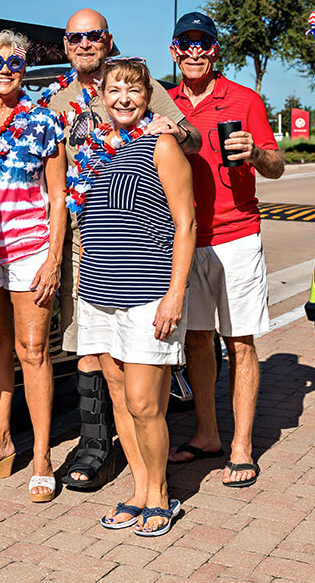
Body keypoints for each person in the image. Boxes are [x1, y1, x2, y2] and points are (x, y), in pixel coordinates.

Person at [44, 8, 200, 491]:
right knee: (88, 352)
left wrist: (168, 131)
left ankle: (145, 472)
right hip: (83, 239)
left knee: (136, 372)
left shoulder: (135, 84)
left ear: (108, 40)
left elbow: (190, 137)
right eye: (76, 37)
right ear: (66, 45)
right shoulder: (57, 101)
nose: (85, 43)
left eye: (94, 35)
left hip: (141, 246)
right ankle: (96, 446)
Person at [73, 58, 195, 536]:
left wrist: (175, 295)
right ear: (101, 95)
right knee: (120, 399)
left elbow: (186, 224)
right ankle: (140, 489)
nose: (123, 98)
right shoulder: (93, 150)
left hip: (148, 292)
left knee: (146, 403)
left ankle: (162, 494)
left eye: (133, 91)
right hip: (98, 291)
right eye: (114, 90)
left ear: (147, 97)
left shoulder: (162, 145)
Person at [164, 11, 285, 488]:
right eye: (185, 43)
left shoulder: (245, 98)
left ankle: (241, 446)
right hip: (184, 240)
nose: (195, 51)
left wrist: (256, 152)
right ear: (174, 51)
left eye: (204, 43)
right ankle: (208, 434)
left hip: (237, 236)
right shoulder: (165, 103)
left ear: (216, 50)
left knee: (239, 341)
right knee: (196, 338)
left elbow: (274, 165)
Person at [0, 32, 67, 502]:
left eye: (16, 61)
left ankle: (42, 456)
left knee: (33, 349)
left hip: (30, 249)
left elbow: (60, 196)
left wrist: (55, 258)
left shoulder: (44, 120)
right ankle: (0, 444)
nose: (5, 68)